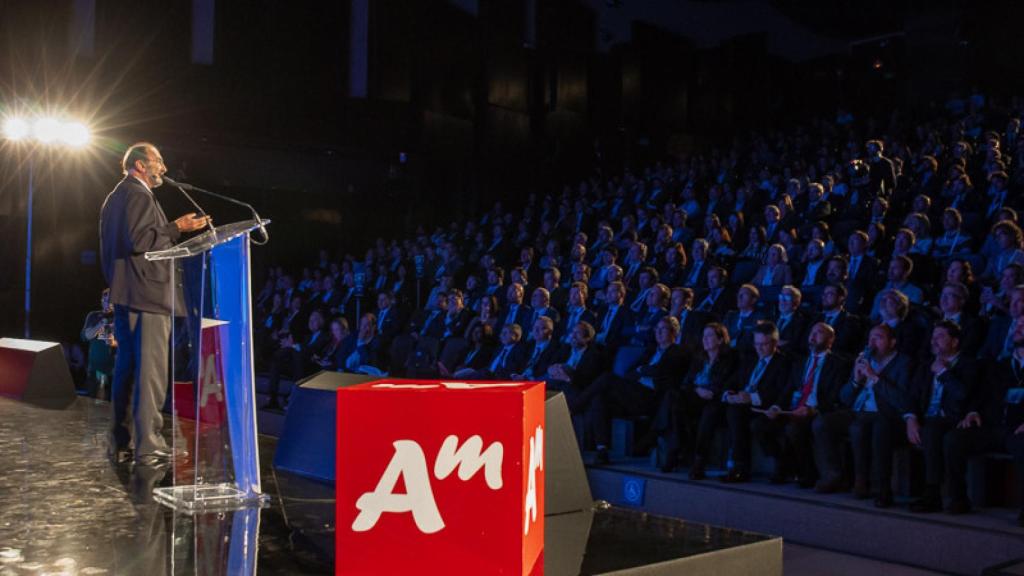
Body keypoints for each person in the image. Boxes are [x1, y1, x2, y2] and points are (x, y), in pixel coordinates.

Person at [100, 142, 209, 465]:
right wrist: (178, 227)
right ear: (140, 165)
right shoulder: (136, 194)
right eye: (158, 161)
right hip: (146, 294)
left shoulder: (118, 195)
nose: (163, 167)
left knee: (129, 370)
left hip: (130, 293)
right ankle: (149, 443)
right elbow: (141, 240)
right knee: (150, 373)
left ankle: (123, 438)